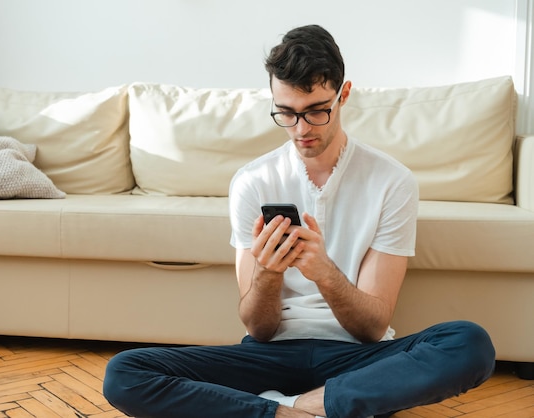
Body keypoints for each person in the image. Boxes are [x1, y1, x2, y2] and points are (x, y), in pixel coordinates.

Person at [103, 24, 495, 418]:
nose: (301, 129)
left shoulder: (391, 181)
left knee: (469, 343)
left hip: (358, 359)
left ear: (344, 95)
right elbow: (258, 328)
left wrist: (324, 272)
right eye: (286, 113)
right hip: (267, 356)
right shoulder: (252, 182)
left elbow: (372, 328)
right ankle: (303, 411)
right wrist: (269, 275)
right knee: (125, 372)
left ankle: (293, 408)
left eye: (316, 111)